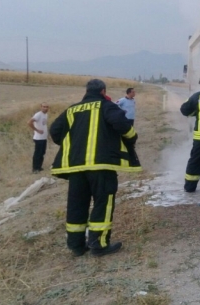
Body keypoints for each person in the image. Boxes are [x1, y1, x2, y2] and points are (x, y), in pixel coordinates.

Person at [50, 79, 141, 257]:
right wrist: (132, 138)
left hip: (76, 167)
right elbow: (123, 126)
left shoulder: (71, 109)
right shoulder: (106, 106)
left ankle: (76, 246)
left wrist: (73, 143)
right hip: (101, 165)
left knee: (77, 204)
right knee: (102, 202)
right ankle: (98, 245)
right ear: (103, 91)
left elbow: (54, 131)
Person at [27, 103, 49, 173]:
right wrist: (37, 130)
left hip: (43, 138)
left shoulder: (45, 115)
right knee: (37, 153)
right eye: (44, 107)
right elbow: (29, 122)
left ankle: (39, 167)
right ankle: (35, 168)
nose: (45, 108)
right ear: (41, 107)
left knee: (42, 153)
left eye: (46, 107)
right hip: (38, 138)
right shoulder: (38, 114)